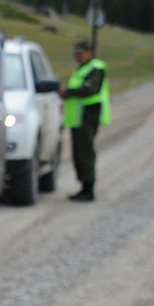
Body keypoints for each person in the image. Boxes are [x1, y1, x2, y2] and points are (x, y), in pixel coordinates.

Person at [62, 40, 111, 201]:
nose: (77, 56)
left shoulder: (95, 68)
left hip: (88, 117)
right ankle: (84, 186)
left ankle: (88, 189)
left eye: (80, 52)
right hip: (78, 118)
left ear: (89, 52)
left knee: (86, 153)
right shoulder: (81, 69)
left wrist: (68, 92)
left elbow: (91, 89)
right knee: (79, 153)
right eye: (75, 53)